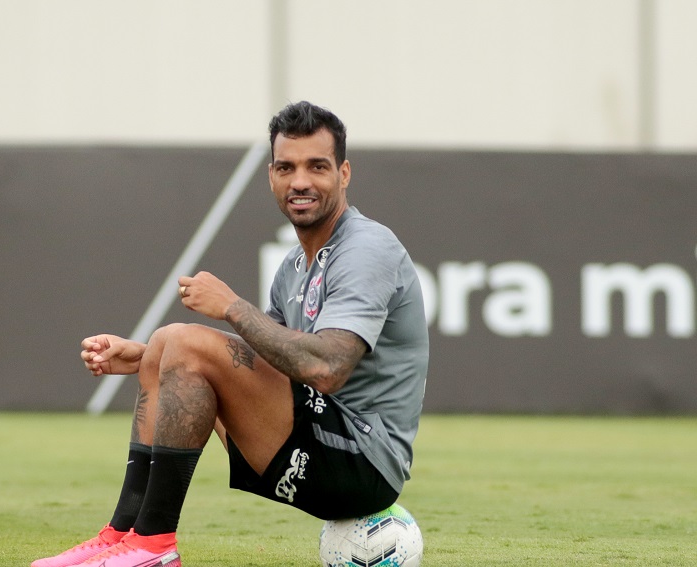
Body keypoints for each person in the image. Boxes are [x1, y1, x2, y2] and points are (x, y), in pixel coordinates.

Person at [32, 101, 430, 567]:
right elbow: (263, 365)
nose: (300, 181)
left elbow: (326, 368)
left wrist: (231, 308)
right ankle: (124, 532)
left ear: (344, 174)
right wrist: (145, 357)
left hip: (363, 464)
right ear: (272, 177)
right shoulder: (294, 266)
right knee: (168, 340)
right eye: (287, 167)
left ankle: (153, 547)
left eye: (316, 166)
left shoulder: (367, 248)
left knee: (184, 339)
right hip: (317, 445)